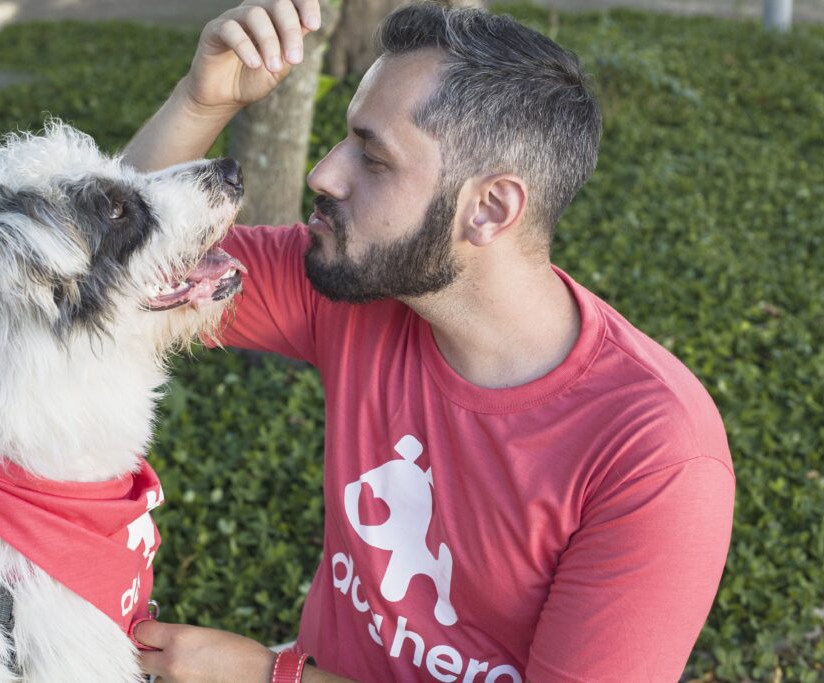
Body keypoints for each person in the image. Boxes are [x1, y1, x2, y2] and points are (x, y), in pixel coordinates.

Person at [123, 1, 735, 681]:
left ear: (490, 208)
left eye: (373, 157)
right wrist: (200, 101)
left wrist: (272, 675)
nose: (324, 174)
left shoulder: (654, 455)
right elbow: (121, 270)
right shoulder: (363, 293)